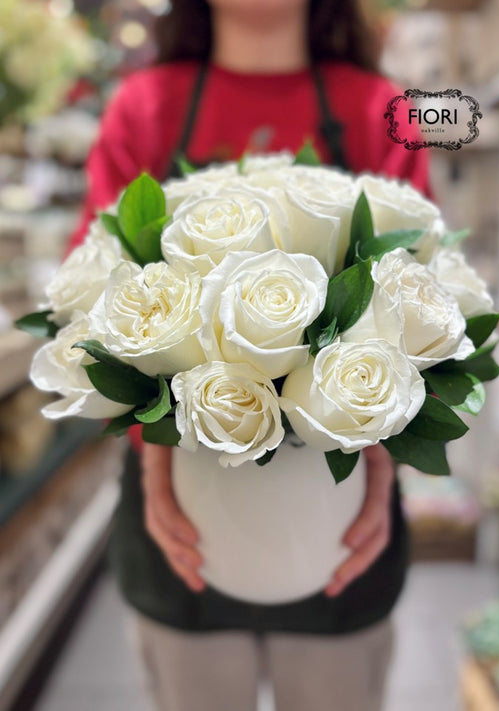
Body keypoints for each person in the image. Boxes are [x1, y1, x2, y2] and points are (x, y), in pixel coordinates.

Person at [70, 1, 432, 709]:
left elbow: (422, 285)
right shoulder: (144, 106)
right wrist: (153, 449)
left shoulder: (378, 108)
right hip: (177, 506)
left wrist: (382, 452)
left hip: (342, 506)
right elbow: (93, 292)